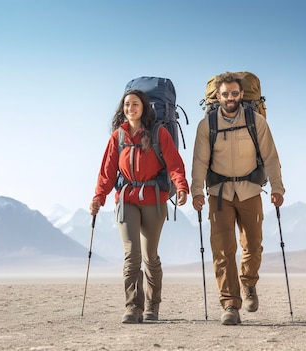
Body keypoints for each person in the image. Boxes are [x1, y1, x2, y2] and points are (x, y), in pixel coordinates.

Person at [191, 72, 285, 325]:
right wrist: (197, 191)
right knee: (222, 250)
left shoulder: (256, 122)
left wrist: (277, 188)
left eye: (234, 93)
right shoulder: (207, 125)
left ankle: (248, 283)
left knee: (253, 246)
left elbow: (271, 157)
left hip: (250, 191)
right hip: (219, 195)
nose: (230, 98)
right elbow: (199, 161)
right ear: (218, 96)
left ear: (242, 95)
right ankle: (230, 304)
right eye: (225, 94)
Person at [90, 89, 189, 324]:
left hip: (154, 200)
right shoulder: (118, 136)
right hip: (127, 201)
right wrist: (98, 197)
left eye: (135, 104)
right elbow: (107, 171)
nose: (130, 108)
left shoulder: (158, 133)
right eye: (126, 104)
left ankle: (152, 306)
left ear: (144, 107)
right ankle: (133, 306)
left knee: (150, 256)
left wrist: (182, 187)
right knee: (131, 254)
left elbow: (174, 163)